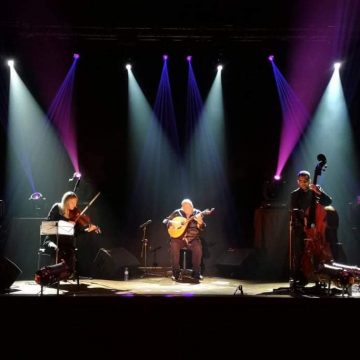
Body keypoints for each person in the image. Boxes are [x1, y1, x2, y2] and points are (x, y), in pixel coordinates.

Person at [290, 170, 333, 287]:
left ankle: (321, 278)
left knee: (319, 253)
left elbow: (328, 201)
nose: (303, 183)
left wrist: (318, 192)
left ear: (310, 181)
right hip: (302, 226)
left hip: (317, 228)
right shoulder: (295, 194)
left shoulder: (315, 190)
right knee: (299, 253)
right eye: (301, 181)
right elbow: (294, 211)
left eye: (306, 181)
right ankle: (299, 278)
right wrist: (303, 220)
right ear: (297, 182)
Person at [43, 191, 98, 275]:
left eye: (75, 202)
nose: (75, 205)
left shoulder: (73, 214)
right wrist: (65, 223)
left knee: (70, 252)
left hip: (65, 243)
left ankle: (64, 274)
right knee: (56, 249)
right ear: (66, 201)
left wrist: (87, 230)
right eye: (72, 202)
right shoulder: (57, 207)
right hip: (52, 240)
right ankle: (53, 274)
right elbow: (48, 225)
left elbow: (76, 233)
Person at [163, 199, 205, 282]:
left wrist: (200, 222)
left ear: (192, 206)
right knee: (174, 245)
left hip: (192, 239)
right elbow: (165, 220)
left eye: (190, 207)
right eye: (186, 208)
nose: (189, 210)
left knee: (198, 248)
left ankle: (196, 273)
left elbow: (203, 228)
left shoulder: (198, 213)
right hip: (179, 239)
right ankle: (176, 273)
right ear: (182, 208)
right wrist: (171, 223)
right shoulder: (177, 212)